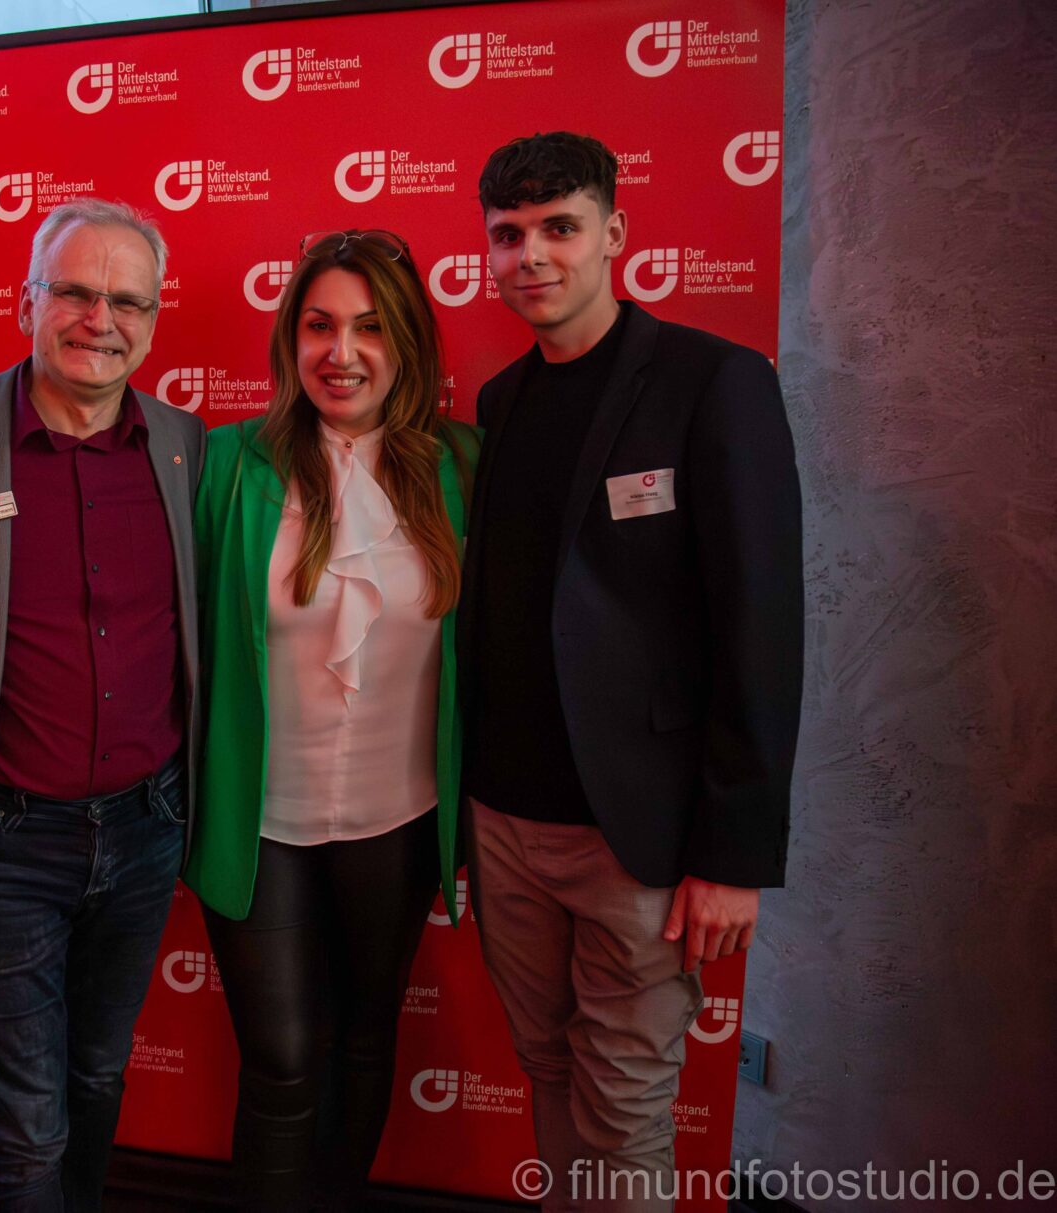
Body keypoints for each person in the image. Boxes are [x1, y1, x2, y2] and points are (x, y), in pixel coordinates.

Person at [457, 132, 802, 1211]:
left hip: (638, 841)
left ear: (613, 233)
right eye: (508, 234)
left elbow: (760, 623)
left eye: (559, 228)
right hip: (502, 823)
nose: (530, 256)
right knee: (550, 1072)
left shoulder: (714, 382)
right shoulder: (499, 402)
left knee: (624, 1110)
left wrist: (731, 853)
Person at [0, 197, 205, 1212]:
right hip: (3, 837)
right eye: (72, 291)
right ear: (26, 301)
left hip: (147, 826)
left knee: (97, 1077)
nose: (99, 320)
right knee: (24, 1127)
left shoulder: (185, 444)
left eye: (126, 301)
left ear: (151, 320)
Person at [183, 229, 479, 1212]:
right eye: (319, 325)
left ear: (406, 343)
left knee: (362, 1038)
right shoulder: (228, 462)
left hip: (399, 817)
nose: (340, 352)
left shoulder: (462, 465)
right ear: (290, 339)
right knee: (280, 1058)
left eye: (369, 327)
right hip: (258, 823)